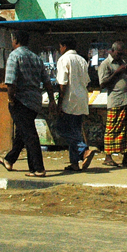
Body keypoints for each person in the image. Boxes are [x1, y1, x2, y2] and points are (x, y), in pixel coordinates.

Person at [0, 30, 59, 177]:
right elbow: (47, 82)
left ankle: (38, 168)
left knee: (29, 134)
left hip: (21, 100)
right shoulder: (36, 58)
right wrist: (51, 100)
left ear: (16, 40)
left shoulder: (14, 56)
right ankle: (9, 159)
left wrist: (11, 99)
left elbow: (10, 82)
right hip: (35, 100)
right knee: (22, 130)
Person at [97, 41, 127, 168]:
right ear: (112, 51)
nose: (120, 56)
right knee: (112, 129)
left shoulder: (121, 63)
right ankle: (108, 156)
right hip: (115, 101)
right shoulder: (105, 64)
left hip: (126, 100)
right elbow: (103, 84)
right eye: (118, 53)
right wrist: (117, 72)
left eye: (122, 54)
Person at [56, 36, 95, 172]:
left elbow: (62, 83)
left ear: (64, 46)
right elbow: (87, 81)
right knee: (75, 131)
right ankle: (74, 163)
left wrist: (59, 103)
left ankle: (83, 150)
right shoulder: (81, 60)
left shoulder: (64, 60)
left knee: (61, 128)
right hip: (82, 99)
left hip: (69, 99)